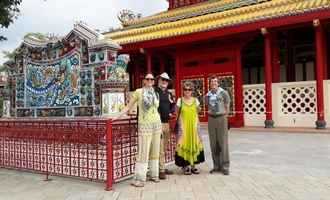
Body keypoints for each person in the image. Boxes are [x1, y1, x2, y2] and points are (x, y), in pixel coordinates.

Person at [114, 73, 162, 187]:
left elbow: (156, 109)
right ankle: (140, 178)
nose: (150, 81)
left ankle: (154, 174)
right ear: (144, 81)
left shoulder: (156, 93)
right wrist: (117, 116)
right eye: (148, 79)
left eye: (152, 79)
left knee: (155, 150)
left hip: (156, 124)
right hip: (144, 125)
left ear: (153, 82)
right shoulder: (138, 92)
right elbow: (128, 106)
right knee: (143, 151)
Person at [174, 81, 205, 175]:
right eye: (185, 89)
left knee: (194, 143)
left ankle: (193, 165)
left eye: (189, 89)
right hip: (184, 126)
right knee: (184, 143)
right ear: (183, 91)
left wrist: (200, 107)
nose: (187, 91)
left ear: (192, 91)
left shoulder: (196, 100)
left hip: (194, 126)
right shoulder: (180, 100)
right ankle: (185, 165)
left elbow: (198, 111)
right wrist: (180, 126)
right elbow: (177, 113)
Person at [206, 76, 231, 175]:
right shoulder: (207, 95)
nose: (214, 83)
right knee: (213, 143)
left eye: (215, 81)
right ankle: (216, 165)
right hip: (211, 119)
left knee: (223, 142)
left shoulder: (223, 93)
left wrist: (226, 116)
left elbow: (227, 105)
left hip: (221, 118)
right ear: (210, 83)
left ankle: (225, 166)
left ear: (218, 83)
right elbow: (208, 106)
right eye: (212, 81)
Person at [155, 72, 175, 179]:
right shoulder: (154, 92)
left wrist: (171, 111)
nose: (164, 82)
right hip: (158, 123)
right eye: (162, 79)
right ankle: (161, 170)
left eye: (166, 80)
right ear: (158, 80)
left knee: (164, 147)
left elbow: (173, 105)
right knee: (160, 146)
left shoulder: (169, 94)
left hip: (166, 123)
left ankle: (161, 167)